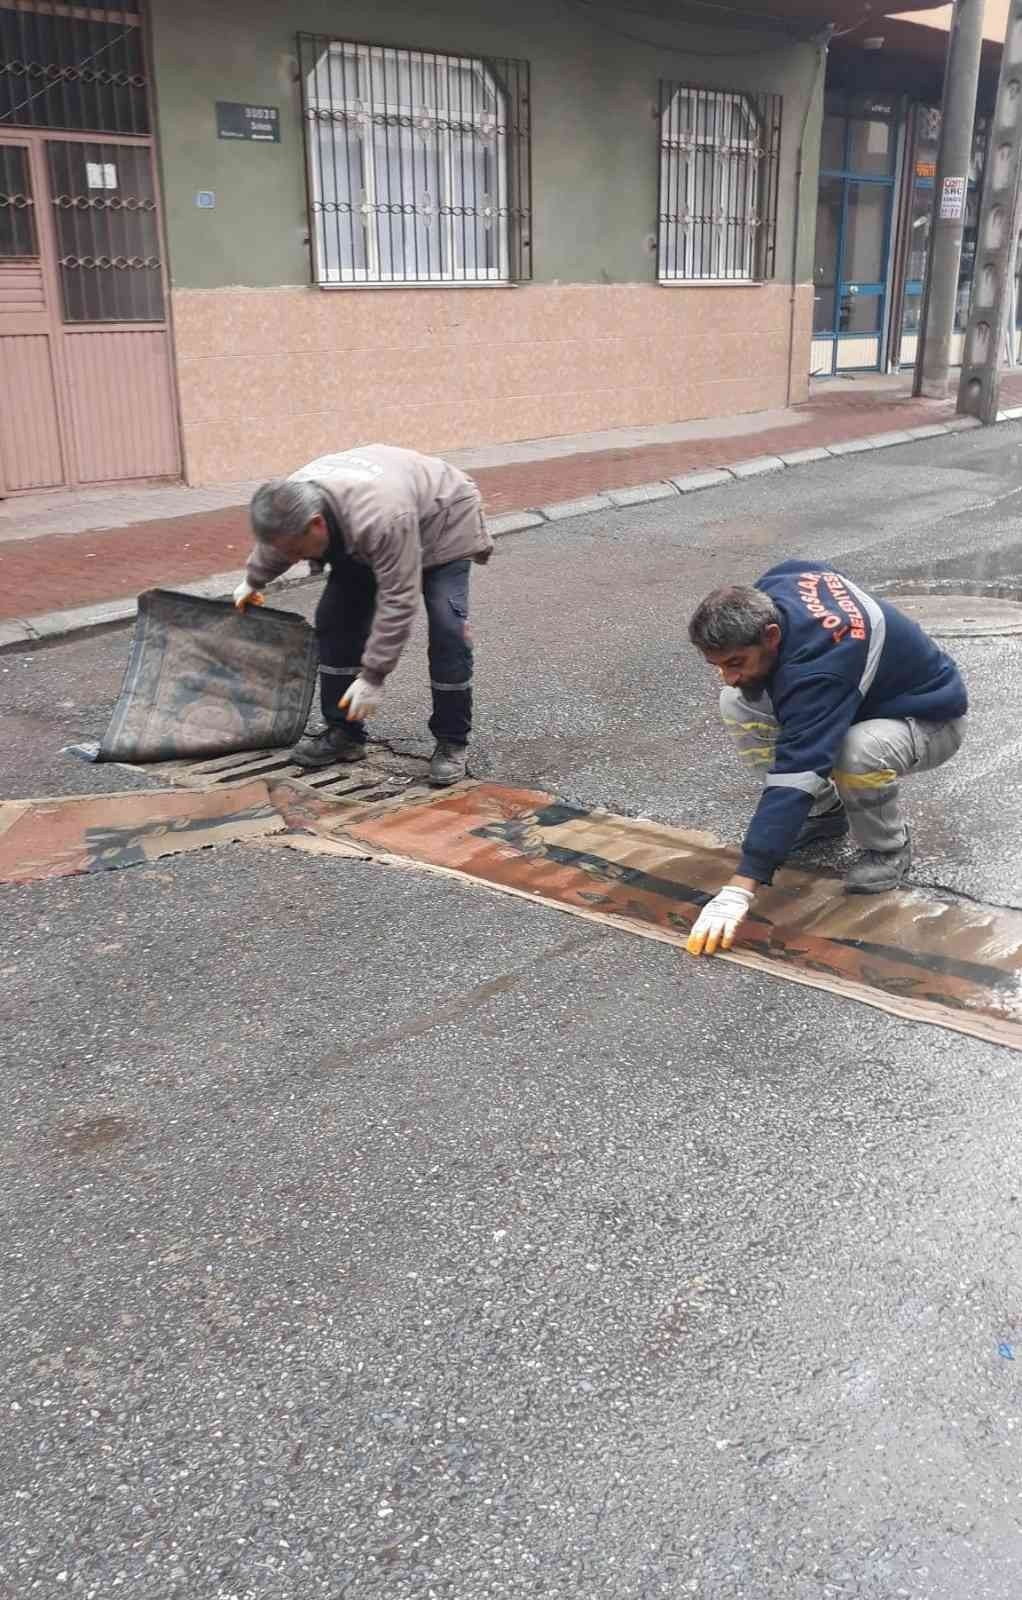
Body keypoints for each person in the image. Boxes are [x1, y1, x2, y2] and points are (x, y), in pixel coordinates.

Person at [685, 561, 968, 957]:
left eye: (735, 662)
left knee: (855, 752)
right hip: (857, 700)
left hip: (927, 718)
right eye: (717, 664)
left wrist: (741, 886)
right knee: (736, 701)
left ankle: (887, 848)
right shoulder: (780, 584)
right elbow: (814, 569)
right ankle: (824, 813)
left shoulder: (820, 672)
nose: (727, 674)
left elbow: (795, 772)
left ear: (771, 635)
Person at [234, 446, 492, 786]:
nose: (295, 558)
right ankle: (345, 734)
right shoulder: (290, 502)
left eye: (299, 552)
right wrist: (252, 579)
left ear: (317, 524)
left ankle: (452, 741)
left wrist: (373, 676)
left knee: (448, 627)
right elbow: (278, 544)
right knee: (335, 618)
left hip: (442, 522)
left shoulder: (381, 517)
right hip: (368, 526)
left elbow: (398, 599)